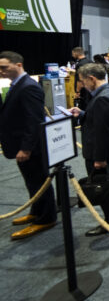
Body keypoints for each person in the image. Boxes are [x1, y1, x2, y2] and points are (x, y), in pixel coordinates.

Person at [69, 63, 109, 236]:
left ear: (91, 79)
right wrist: (83, 114)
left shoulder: (101, 98)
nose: (82, 85)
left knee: (104, 185)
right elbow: (104, 120)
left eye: (83, 81)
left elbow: (102, 131)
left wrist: (99, 158)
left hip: (103, 149)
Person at [0, 51, 57, 240]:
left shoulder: (28, 87)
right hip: (20, 145)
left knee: (39, 181)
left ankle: (46, 218)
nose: (1, 71)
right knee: (32, 181)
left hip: (31, 148)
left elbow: (34, 121)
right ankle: (37, 211)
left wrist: (26, 148)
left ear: (18, 65)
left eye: (4, 67)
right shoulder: (18, 85)